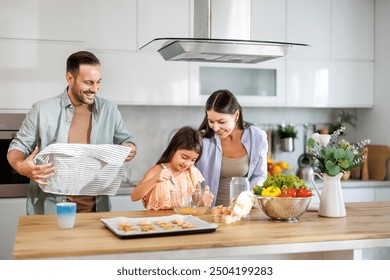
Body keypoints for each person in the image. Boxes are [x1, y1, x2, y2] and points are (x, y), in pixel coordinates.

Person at [7, 51, 137, 215]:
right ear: (70, 78)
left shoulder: (109, 109)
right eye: (88, 83)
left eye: (98, 82)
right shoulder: (42, 109)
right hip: (50, 210)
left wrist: (130, 147)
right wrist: (20, 166)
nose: (95, 89)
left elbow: (126, 140)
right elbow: (18, 145)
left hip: (96, 211)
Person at [196, 89, 268, 206]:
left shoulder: (257, 137)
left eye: (221, 121)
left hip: (242, 212)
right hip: (208, 212)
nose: (215, 128)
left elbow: (259, 175)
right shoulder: (201, 140)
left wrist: (250, 197)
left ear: (236, 115)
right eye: (211, 121)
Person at [131, 126, 213, 210]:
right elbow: (134, 197)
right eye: (184, 157)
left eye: (193, 160)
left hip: (181, 220)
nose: (187, 164)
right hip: (155, 220)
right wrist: (155, 179)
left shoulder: (192, 172)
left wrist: (203, 202)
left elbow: (196, 204)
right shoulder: (157, 170)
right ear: (173, 150)